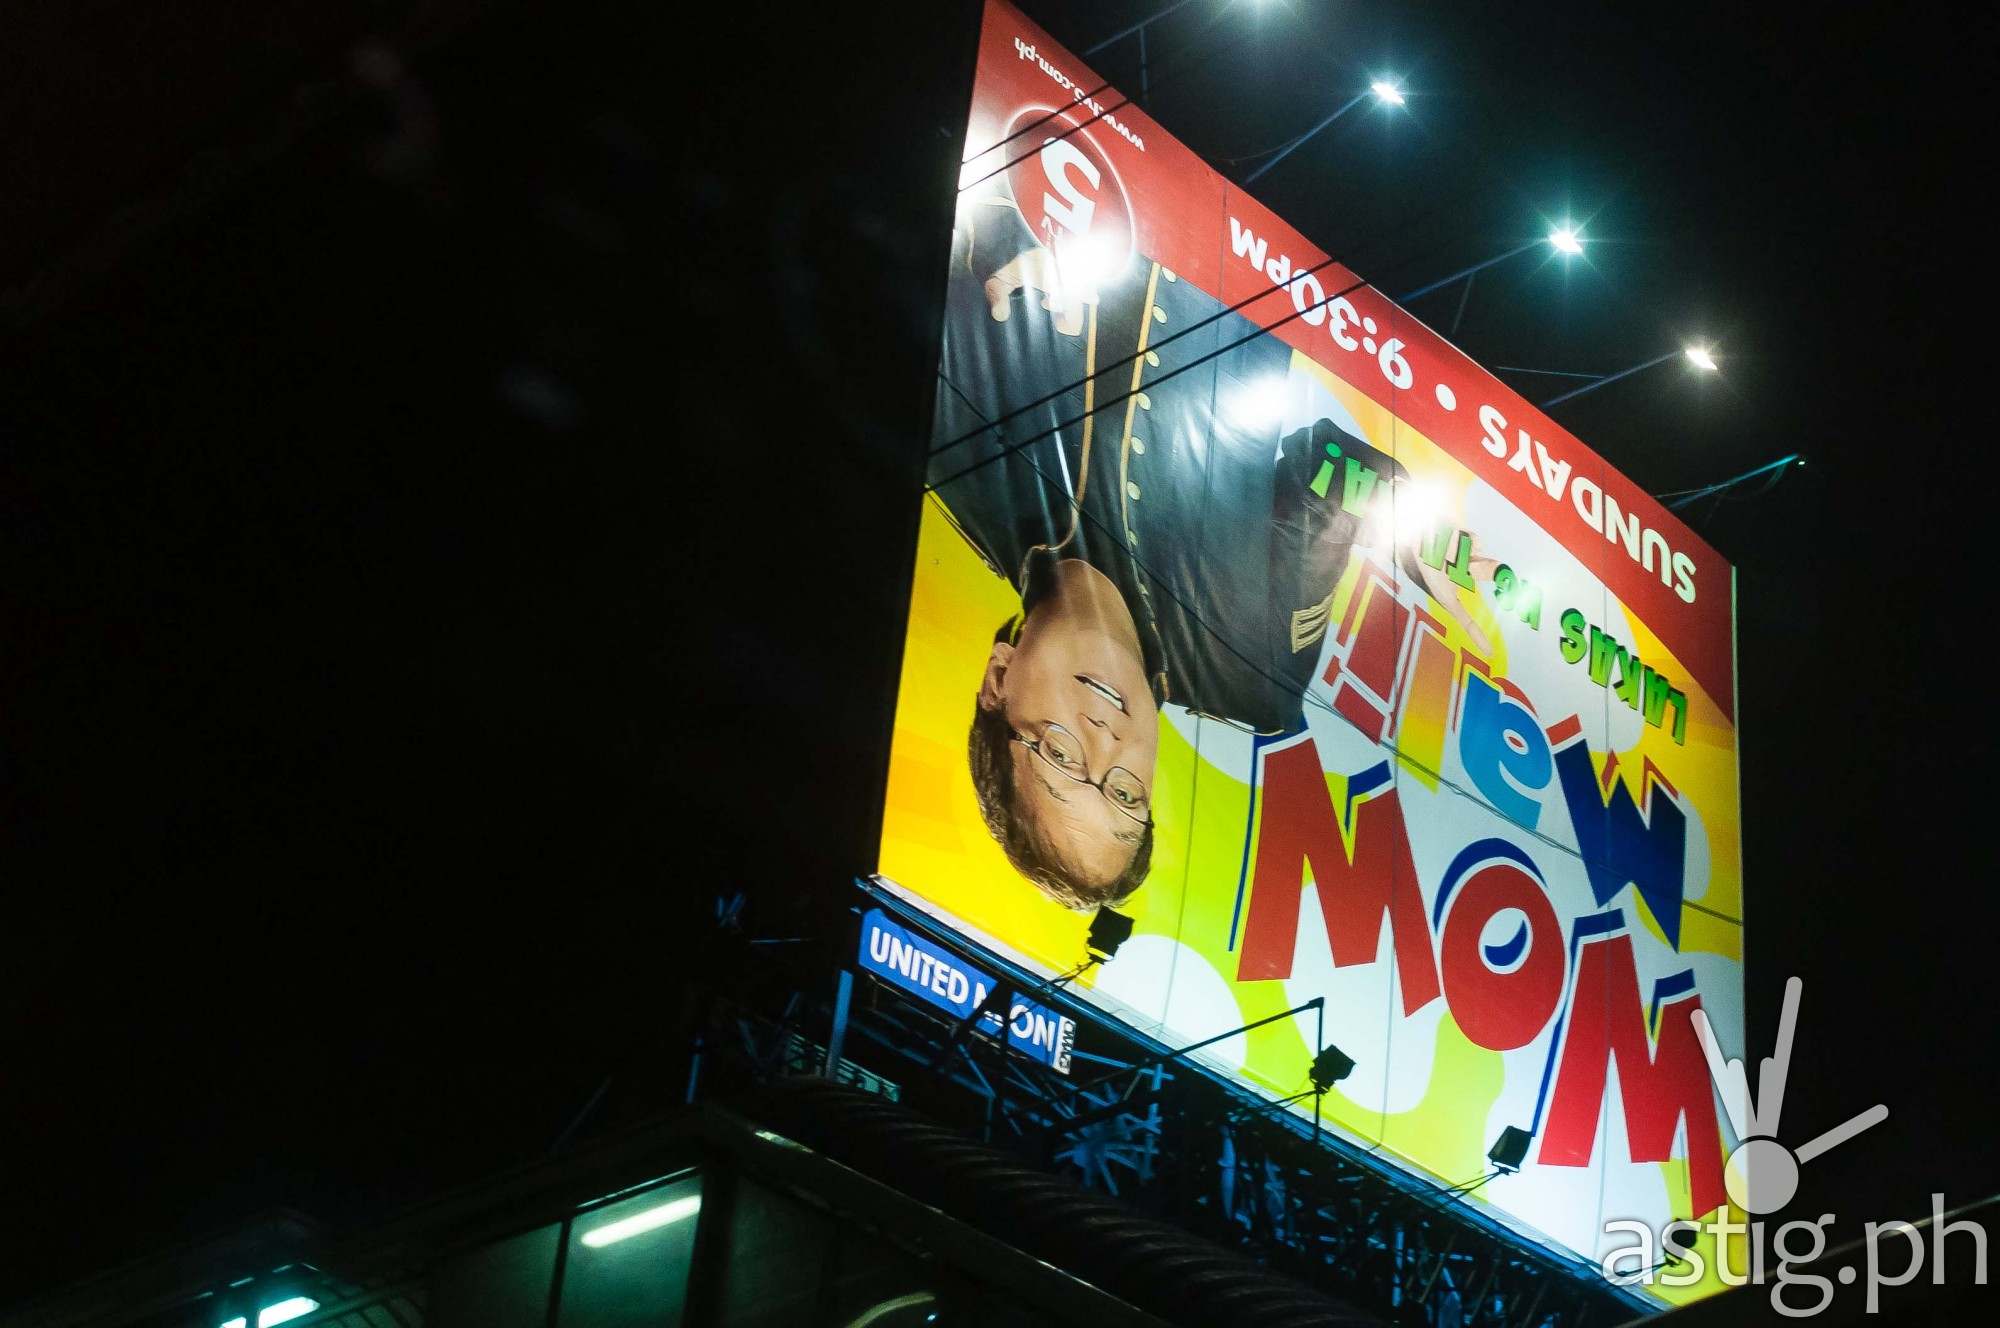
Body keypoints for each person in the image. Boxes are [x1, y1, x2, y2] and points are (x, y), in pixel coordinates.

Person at [932, 195, 1486, 910]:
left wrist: (1008, 233)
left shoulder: (961, 464)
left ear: (997, 680)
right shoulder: (1250, 676)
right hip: (1287, 219)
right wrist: (1419, 541)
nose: (1104, 742)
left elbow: (968, 188)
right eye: (1126, 791)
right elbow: (1328, 472)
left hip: (1155, 134)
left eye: (1062, 756)